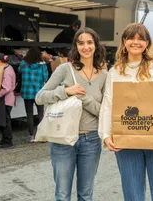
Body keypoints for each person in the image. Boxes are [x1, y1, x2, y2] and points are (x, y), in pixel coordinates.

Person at [99, 23, 153, 201]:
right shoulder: (115, 71)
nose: (136, 42)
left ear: (147, 43)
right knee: (133, 196)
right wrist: (105, 134)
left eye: (141, 38)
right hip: (126, 143)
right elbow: (108, 104)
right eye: (132, 38)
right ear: (124, 41)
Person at [36, 27, 107, 201]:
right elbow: (40, 97)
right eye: (81, 43)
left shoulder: (105, 75)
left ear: (96, 46)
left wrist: (84, 98)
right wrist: (66, 91)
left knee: (86, 194)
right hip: (62, 139)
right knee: (62, 194)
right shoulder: (65, 69)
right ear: (76, 46)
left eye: (90, 42)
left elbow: (104, 112)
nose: (86, 47)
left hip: (91, 140)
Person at [18, 47, 48, 142]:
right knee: (40, 113)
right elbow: (45, 77)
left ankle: (31, 136)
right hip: (38, 92)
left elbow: (19, 71)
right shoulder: (42, 65)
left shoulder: (23, 63)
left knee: (29, 114)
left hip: (27, 92)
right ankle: (42, 135)